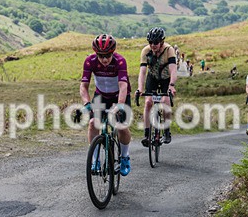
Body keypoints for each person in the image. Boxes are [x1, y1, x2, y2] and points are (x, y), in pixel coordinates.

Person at [75, 34, 132, 176]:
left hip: (119, 95)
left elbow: (123, 86)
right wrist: (87, 104)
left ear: (113, 52)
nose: (104, 59)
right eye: (101, 56)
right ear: (96, 53)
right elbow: (83, 86)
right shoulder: (90, 61)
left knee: (121, 126)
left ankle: (125, 157)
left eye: (107, 55)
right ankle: (95, 160)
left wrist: (120, 105)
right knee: (93, 123)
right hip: (101, 96)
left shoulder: (120, 61)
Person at [135, 27, 177, 146]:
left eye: (156, 42)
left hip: (166, 79)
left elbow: (173, 70)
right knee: (148, 102)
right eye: (150, 42)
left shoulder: (169, 50)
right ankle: (147, 134)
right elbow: (142, 72)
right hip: (152, 77)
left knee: (165, 101)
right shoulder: (146, 51)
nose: (153, 45)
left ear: (161, 42)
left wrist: (172, 85)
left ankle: (166, 131)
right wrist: (140, 88)